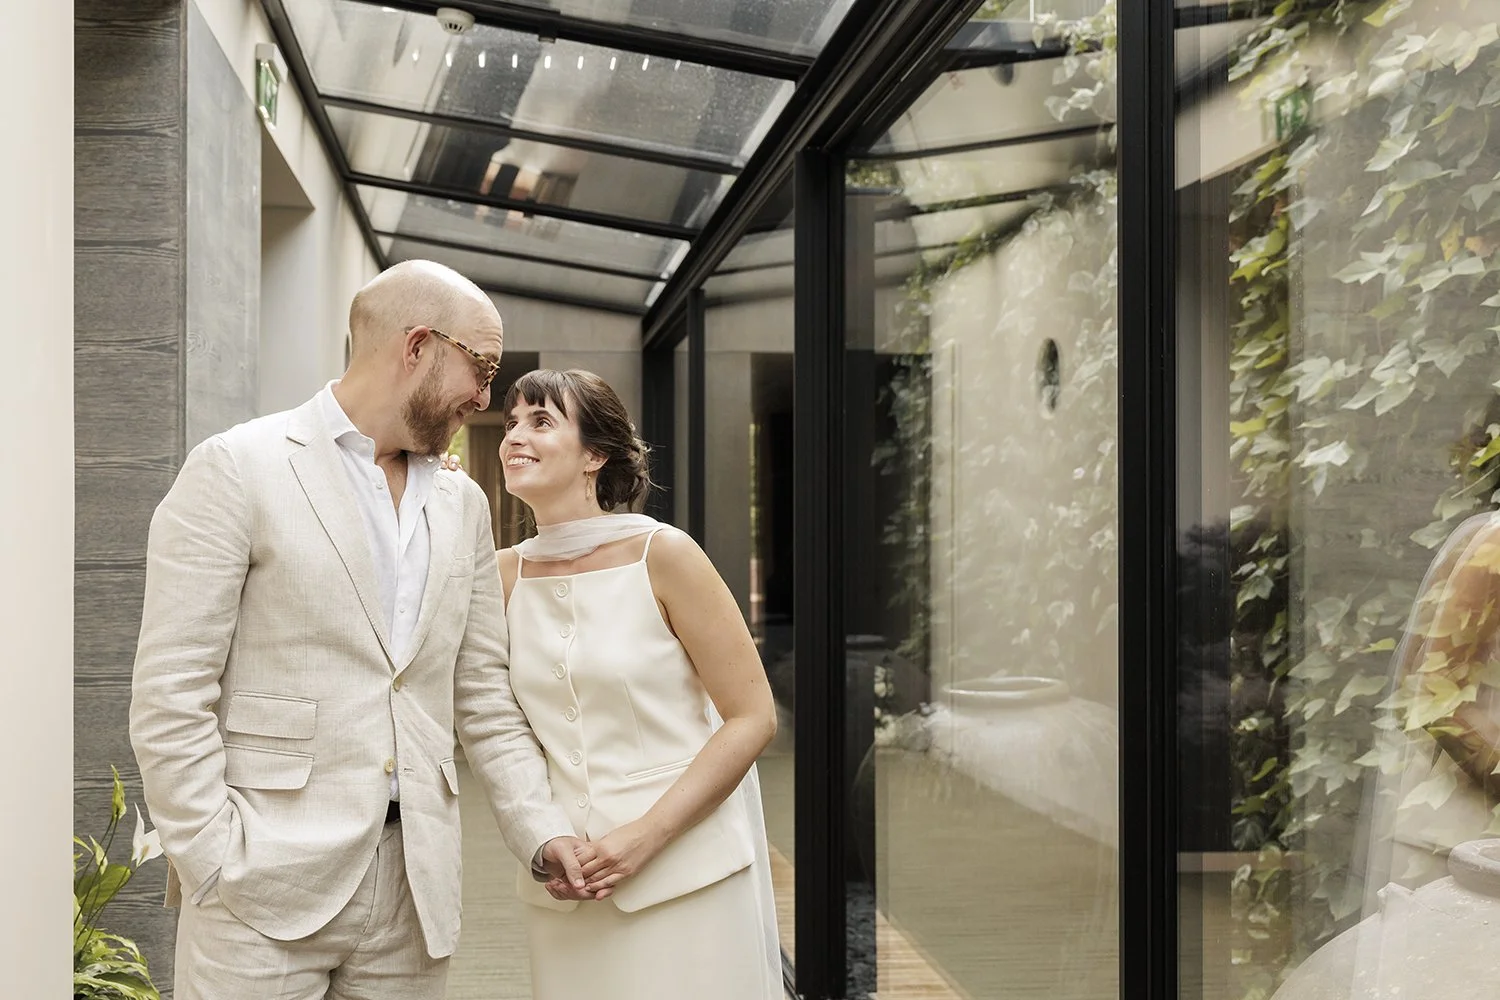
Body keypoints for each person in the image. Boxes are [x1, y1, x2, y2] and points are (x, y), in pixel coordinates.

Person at [128, 260, 593, 1000]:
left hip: (415, 890)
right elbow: (171, 690)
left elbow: (481, 693)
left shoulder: (464, 504)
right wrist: (212, 856)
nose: (485, 397)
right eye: (481, 368)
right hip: (259, 886)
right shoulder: (238, 468)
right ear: (417, 346)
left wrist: (540, 829)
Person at [495, 368, 783, 1000]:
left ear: (595, 455)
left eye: (541, 421)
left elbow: (753, 716)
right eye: (512, 422)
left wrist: (646, 836)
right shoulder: (500, 576)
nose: (515, 435)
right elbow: (497, 724)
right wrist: (544, 837)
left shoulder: (665, 555)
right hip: (569, 888)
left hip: (687, 876)